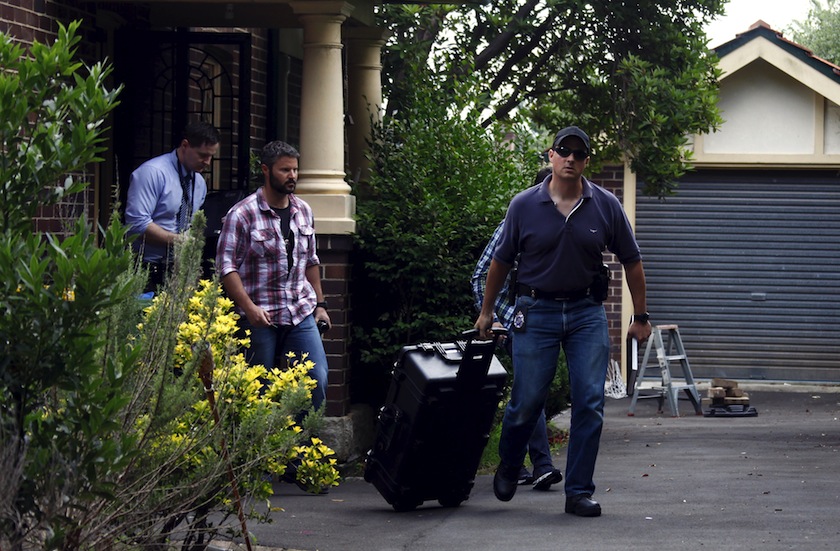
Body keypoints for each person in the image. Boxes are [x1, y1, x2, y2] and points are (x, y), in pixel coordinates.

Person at [474, 126, 652, 517]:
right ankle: (509, 462)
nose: (570, 158)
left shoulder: (605, 204)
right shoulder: (523, 205)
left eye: (579, 153)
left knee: (590, 401)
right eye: (563, 151)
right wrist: (487, 311)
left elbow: (632, 261)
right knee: (527, 400)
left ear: (587, 161)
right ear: (551, 156)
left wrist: (640, 316)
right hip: (535, 312)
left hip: (587, 313)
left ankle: (577, 492)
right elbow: (501, 262)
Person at [215, 140, 330, 412]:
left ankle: (299, 448)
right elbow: (226, 267)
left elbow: (311, 260)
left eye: (295, 170)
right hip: (260, 316)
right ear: (266, 170)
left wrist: (320, 305)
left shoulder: (303, 210)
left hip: (299, 310)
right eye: (285, 170)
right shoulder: (242, 214)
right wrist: (248, 308)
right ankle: (261, 451)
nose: (292, 176)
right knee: (257, 389)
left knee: (316, 380)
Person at [471, 166, 563, 491]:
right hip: (516, 323)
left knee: (529, 393)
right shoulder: (515, 223)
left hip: (548, 324)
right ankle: (540, 465)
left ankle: (517, 464)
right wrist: (496, 316)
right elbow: (481, 275)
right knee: (530, 391)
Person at [125, 121, 221, 292]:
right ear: (185, 145)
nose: (207, 162)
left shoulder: (199, 182)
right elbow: (137, 224)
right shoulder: (152, 172)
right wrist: (179, 241)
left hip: (179, 270)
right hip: (146, 270)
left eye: (211, 156)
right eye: (202, 155)